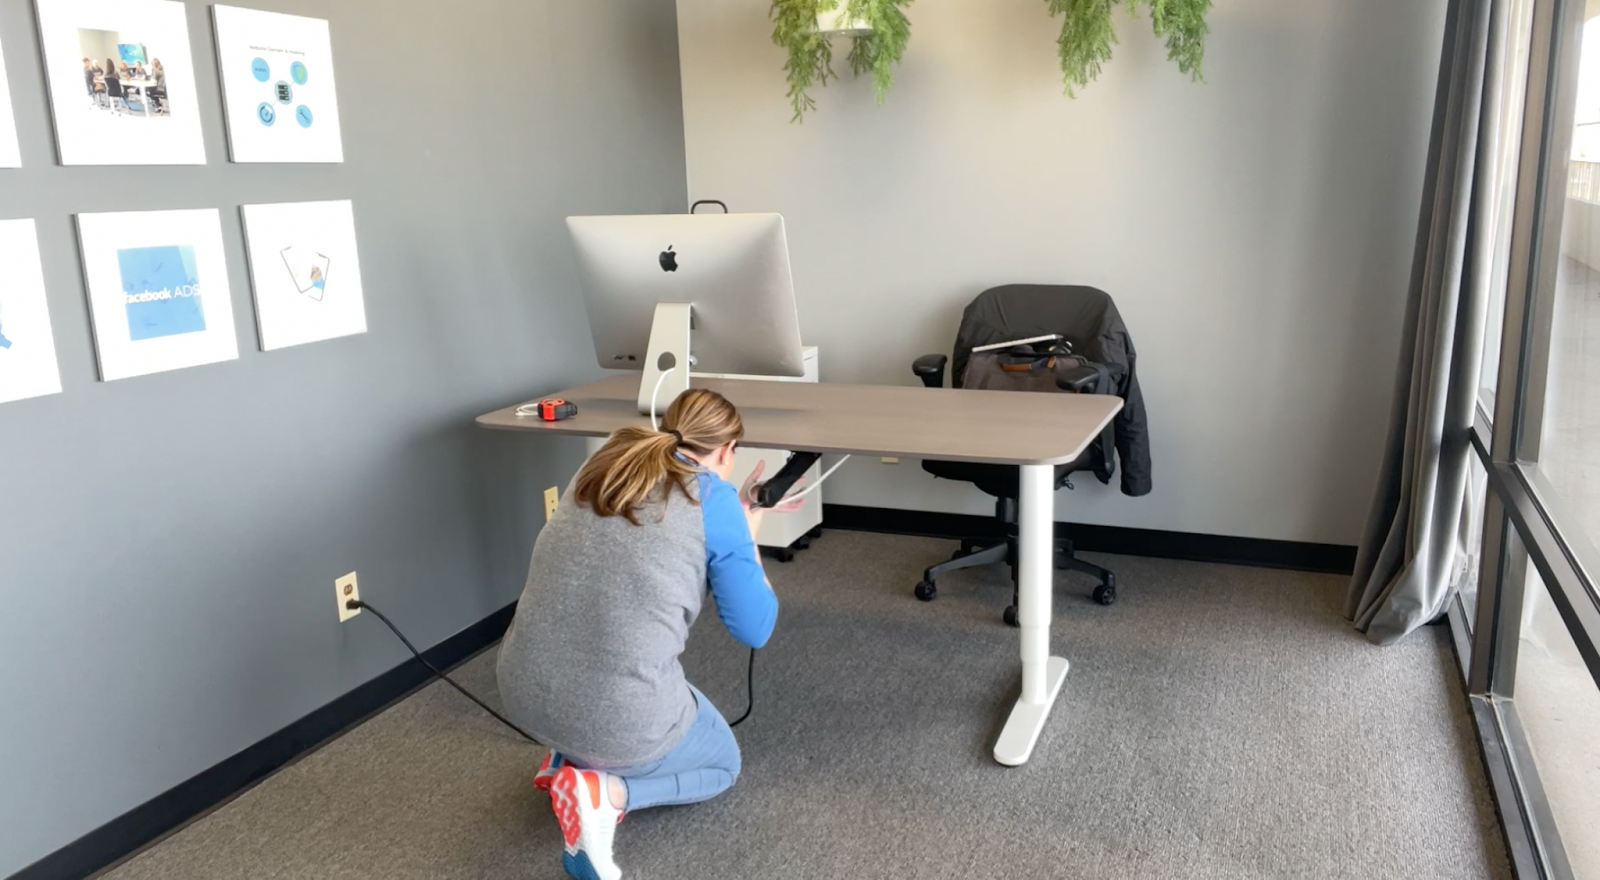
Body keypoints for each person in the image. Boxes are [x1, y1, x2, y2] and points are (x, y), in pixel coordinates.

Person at [496, 388, 798, 880]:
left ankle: (567, 761)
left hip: (520, 688)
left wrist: (731, 522)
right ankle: (606, 794)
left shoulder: (606, 462)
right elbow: (755, 628)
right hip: (615, 718)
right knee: (723, 762)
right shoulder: (715, 501)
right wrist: (748, 536)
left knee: (635, 669)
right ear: (727, 452)